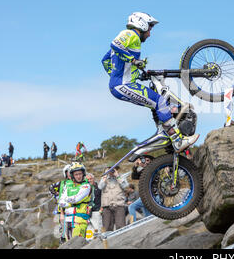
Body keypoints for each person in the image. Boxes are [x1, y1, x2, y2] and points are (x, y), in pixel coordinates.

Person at [101, 12, 199, 153]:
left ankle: (164, 130)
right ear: (142, 24)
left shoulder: (130, 40)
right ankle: (177, 140)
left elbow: (105, 61)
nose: (149, 34)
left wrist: (125, 73)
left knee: (156, 103)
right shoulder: (130, 34)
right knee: (160, 101)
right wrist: (133, 62)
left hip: (122, 84)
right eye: (149, 29)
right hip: (123, 85)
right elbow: (115, 44)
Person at [58, 162, 92, 241]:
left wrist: (67, 200)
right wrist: (71, 201)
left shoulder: (86, 186)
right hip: (67, 219)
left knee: (77, 244)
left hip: (80, 220)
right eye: (76, 174)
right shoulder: (68, 186)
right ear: (73, 175)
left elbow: (76, 199)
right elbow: (61, 202)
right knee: (68, 245)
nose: (78, 176)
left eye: (80, 174)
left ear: (83, 174)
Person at [98, 165, 128, 231]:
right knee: (107, 227)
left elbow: (125, 186)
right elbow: (100, 187)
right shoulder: (104, 179)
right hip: (107, 207)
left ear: (116, 170)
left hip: (119, 206)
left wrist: (117, 176)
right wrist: (105, 176)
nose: (111, 172)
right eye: (109, 170)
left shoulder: (121, 177)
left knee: (121, 227)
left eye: (112, 170)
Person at [49, 164, 72, 244]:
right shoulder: (61, 183)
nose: (69, 173)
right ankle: (64, 242)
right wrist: (56, 194)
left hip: (74, 210)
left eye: (71, 171)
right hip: (62, 210)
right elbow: (51, 187)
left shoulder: (78, 183)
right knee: (64, 229)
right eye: (67, 172)